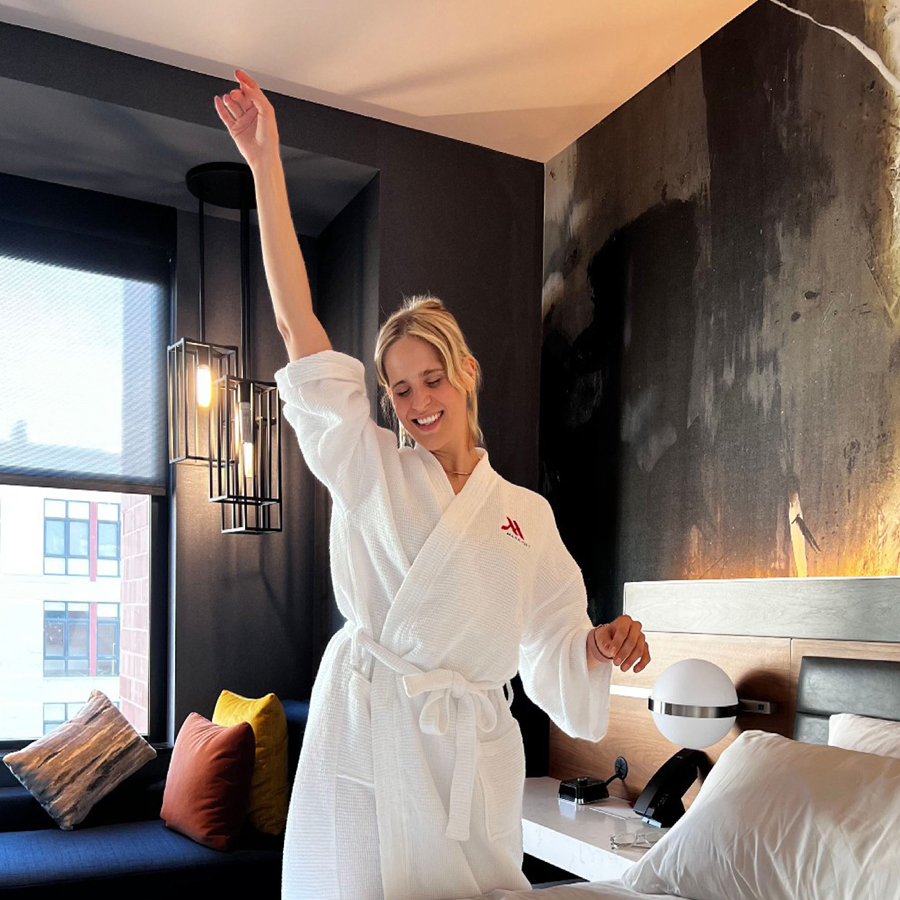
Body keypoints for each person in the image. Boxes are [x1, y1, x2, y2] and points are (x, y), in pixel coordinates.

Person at [215, 69, 650, 900]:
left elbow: (555, 635)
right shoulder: (368, 465)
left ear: (466, 372)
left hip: (470, 753)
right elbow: (294, 324)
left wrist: (599, 644)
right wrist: (265, 164)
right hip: (367, 724)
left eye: (431, 377)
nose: (416, 401)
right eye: (398, 388)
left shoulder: (526, 515)